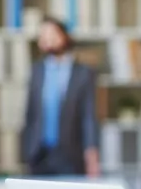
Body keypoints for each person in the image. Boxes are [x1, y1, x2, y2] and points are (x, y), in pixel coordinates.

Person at [21, 16, 100, 177]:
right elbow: (30, 114)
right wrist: (26, 150)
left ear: (65, 36)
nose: (47, 39)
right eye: (43, 36)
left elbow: (89, 116)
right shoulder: (37, 71)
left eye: (51, 34)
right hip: (39, 154)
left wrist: (92, 156)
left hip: (70, 154)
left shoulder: (83, 73)